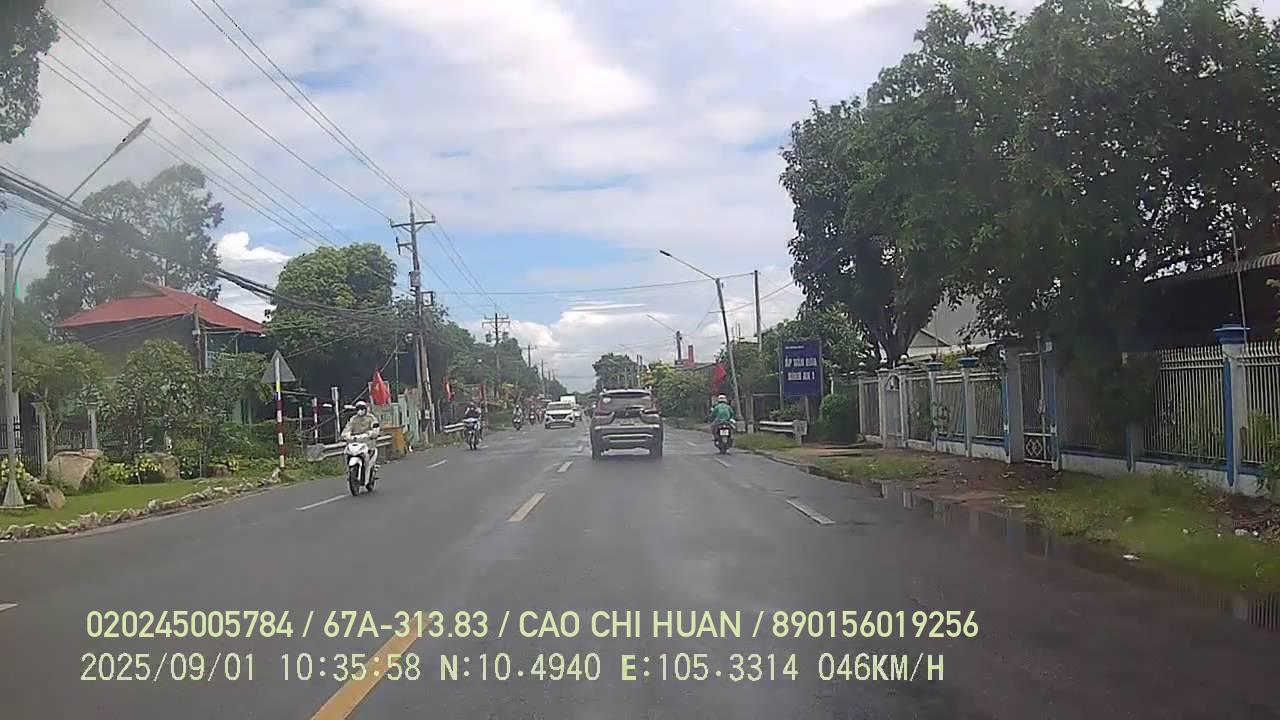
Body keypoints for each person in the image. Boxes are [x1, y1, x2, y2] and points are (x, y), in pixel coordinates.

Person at [341, 400, 380, 479]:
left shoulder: (371, 418)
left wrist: (371, 433)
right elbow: (348, 428)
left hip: (367, 442)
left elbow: (375, 428)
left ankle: (369, 470)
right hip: (355, 442)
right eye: (358, 409)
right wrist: (345, 435)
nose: (360, 411)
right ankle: (349, 471)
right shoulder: (353, 419)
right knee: (346, 453)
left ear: (365, 409)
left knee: (369, 454)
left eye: (362, 409)